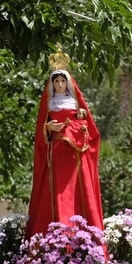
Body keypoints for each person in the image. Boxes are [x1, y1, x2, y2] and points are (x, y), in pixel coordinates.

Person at [25, 54, 103, 236]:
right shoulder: (48, 104)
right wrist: (49, 127)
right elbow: (40, 133)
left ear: (67, 82)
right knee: (54, 194)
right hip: (55, 156)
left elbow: (89, 129)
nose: (60, 84)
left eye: (62, 80)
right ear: (52, 84)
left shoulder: (75, 104)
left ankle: (81, 236)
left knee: (76, 195)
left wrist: (72, 129)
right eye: (56, 81)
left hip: (74, 156)